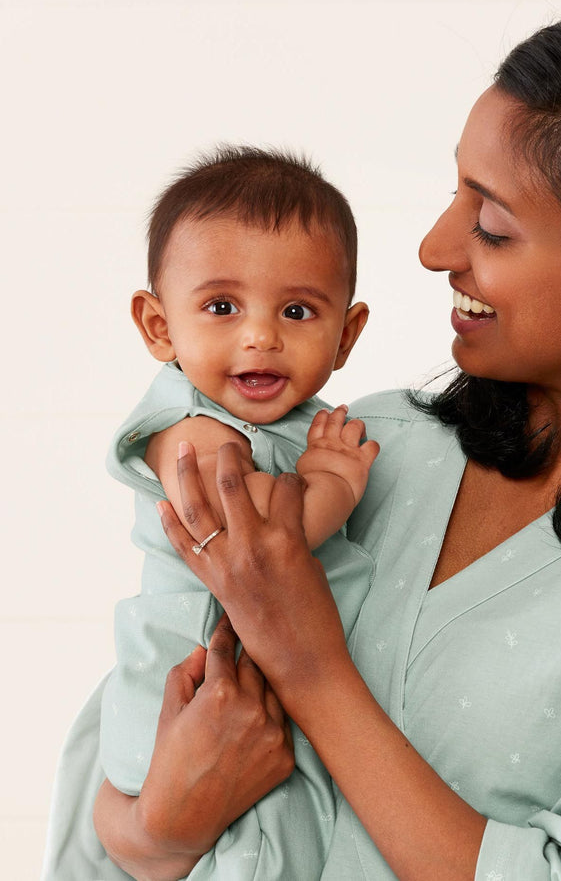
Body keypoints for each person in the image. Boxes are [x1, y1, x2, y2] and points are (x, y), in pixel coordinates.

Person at [50, 12, 561, 880]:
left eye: (491, 224)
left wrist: (313, 669)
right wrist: (163, 829)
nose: (433, 248)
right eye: (455, 192)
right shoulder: (363, 446)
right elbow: (135, 713)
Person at [44, 147, 379, 880]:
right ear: (159, 326)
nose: (259, 335)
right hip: (191, 703)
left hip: (250, 705)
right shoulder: (187, 427)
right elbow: (255, 539)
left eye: (296, 311)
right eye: (222, 307)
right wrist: (332, 484)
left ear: (346, 335)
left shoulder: (301, 418)